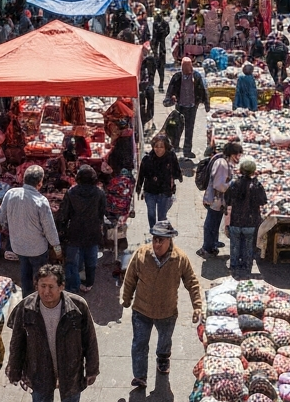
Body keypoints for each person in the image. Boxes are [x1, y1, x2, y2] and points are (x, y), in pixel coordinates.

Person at [7, 265, 99, 402]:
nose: (46, 291)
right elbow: (17, 341)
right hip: (39, 370)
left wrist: (92, 369)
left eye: (51, 286)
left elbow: (90, 340)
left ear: (62, 286)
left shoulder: (78, 306)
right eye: (42, 286)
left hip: (70, 370)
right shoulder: (26, 308)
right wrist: (14, 370)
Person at [120, 221, 203, 389]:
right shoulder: (141, 255)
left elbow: (192, 282)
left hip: (167, 311)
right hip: (142, 310)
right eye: (155, 239)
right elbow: (130, 278)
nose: (157, 244)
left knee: (164, 341)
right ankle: (140, 376)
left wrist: (197, 306)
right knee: (139, 344)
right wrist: (126, 298)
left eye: (161, 240)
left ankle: (163, 359)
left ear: (170, 240)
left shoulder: (179, 259)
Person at [0, 165, 63, 293]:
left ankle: (26, 299)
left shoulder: (11, 193)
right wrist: (57, 248)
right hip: (37, 249)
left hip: (18, 246)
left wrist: (10, 226)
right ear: (40, 184)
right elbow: (50, 229)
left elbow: (0, 216)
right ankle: (38, 301)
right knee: (40, 277)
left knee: (24, 272)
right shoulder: (41, 201)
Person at [59, 166, 106, 293]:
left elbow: (64, 214)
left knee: (71, 261)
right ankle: (89, 283)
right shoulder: (99, 193)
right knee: (91, 260)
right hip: (93, 231)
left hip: (75, 231)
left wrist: (62, 231)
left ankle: (73, 287)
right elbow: (102, 212)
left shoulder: (71, 193)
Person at [223, 157, 267, 281]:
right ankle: (246, 268)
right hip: (250, 222)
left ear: (241, 170)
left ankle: (234, 267)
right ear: (253, 171)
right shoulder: (257, 185)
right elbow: (263, 201)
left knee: (235, 245)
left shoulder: (234, 184)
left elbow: (227, 199)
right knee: (248, 246)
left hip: (236, 221)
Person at [199, 141, 243, 259]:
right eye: (238, 155)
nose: (238, 158)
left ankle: (212, 245)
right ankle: (207, 247)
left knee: (215, 223)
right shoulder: (222, 164)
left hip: (218, 201)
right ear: (232, 154)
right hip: (215, 200)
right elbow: (219, 186)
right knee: (211, 224)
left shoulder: (225, 163)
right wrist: (233, 183)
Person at [165, 57, 209, 157]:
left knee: (189, 128)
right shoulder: (177, 76)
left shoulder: (196, 76)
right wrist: (169, 99)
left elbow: (202, 89)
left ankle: (187, 150)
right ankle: (175, 146)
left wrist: (206, 103)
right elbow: (171, 89)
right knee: (178, 127)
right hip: (180, 106)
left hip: (192, 106)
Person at [137, 135, 182, 228]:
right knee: (151, 214)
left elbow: (176, 169)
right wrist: (138, 188)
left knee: (162, 217)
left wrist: (178, 177)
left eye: (161, 147)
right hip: (150, 191)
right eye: (156, 146)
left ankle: (161, 235)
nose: (158, 149)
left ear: (166, 147)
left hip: (164, 192)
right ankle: (153, 232)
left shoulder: (170, 157)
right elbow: (141, 175)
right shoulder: (147, 159)